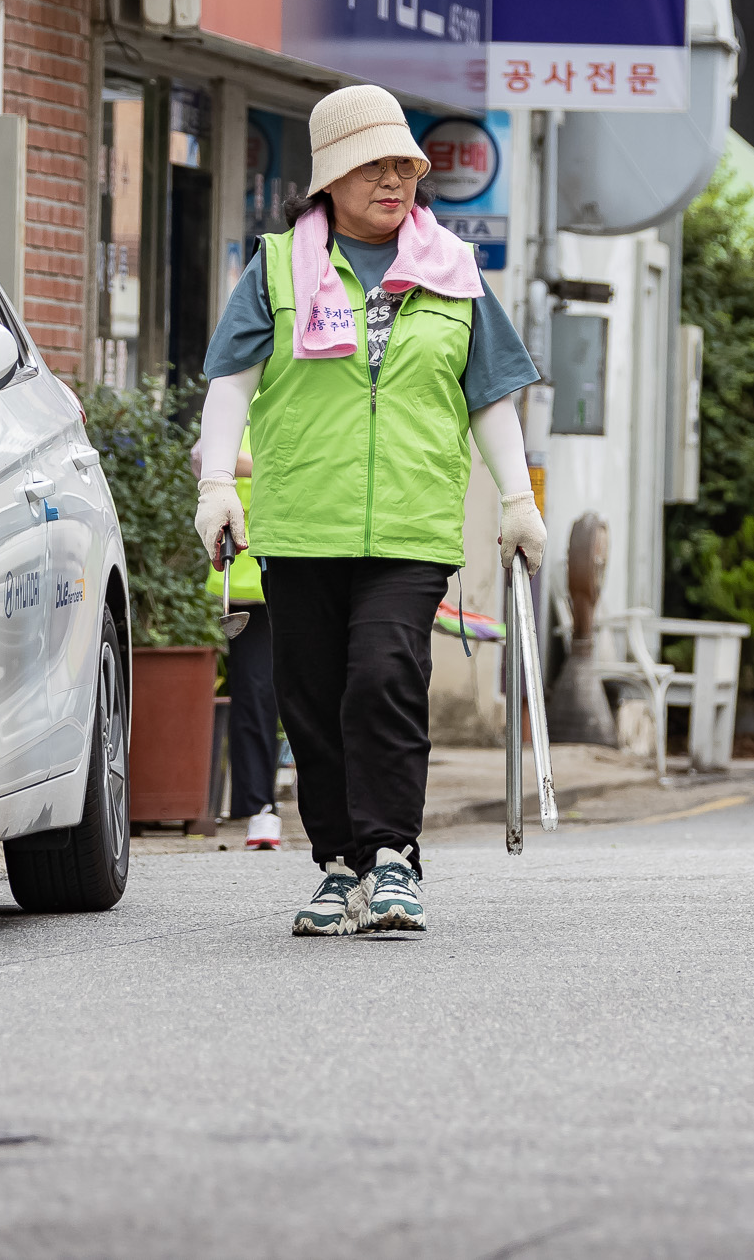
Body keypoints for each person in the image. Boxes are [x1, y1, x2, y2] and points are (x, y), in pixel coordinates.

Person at [193, 86, 545, 937]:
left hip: (410, 525)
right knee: (310, 698)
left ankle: (392, 857)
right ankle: (337, 863)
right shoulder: (278, 267)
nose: (394, 180)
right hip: (302, 520)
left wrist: (518, 499)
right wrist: (216, 487)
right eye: (374, 165)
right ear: (330, 178)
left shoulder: (453, 270)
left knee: (383, 678)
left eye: (404, 166)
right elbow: (230, 384)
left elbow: (488, 394)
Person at [199, 428, 281, 849]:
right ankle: (259, 809)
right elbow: (204, 457)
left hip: (308, 568)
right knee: (254, 693)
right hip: (250, 584)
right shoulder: (243, 404)